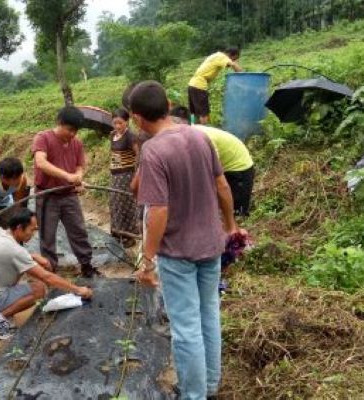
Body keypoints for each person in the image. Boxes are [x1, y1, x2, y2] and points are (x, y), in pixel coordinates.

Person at [130, 81, 241, 400]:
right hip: (211, 245)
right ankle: (209, 385)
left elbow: (159, 210)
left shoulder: (153, 151)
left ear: (137, 118)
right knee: (209, 315)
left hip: (178, 253)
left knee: (186, 327)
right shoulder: (199, 135)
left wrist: (147, 259)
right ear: (167, 104)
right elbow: (222, 185)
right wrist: (230, 226)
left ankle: (193, 394)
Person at [0, 209, 93, 339]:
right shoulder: (16, 251)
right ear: (19, 228)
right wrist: (78, 289)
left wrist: (33, 256)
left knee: (20, 272)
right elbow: (46, 277)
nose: (33, 234)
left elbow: (1, 254)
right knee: (38, 289)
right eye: (32, 229)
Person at [32, 106, 99, 278]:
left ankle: (86, 265)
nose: (72, 134)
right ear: (59, 123)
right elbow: (41, 162)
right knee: (47, 234)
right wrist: (67, 176)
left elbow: (79, 166)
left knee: (79, 230)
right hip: (47, 194)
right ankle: (50, 270)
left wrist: (77, 177)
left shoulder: (76, 143)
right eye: (69, 129)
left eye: (75, 131)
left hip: (69, 195)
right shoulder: (43, 138)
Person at [168, 107, 256, 216]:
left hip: (239, 168)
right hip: (225, 165)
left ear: (187, 124)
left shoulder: (201, 136)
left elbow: (213, 166)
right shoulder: (185, 135)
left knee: (236, 212)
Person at [108, 107, 140, 246]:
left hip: (126, 176)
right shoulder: (112, 135)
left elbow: (139, 155)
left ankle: (130, 235)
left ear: (127, 121)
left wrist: (137, 174)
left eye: (120, 123)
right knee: (115, 204)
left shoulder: (130, 136)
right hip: (115, 176)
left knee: (127, 204)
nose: (118, 126)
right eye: (115, 123)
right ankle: (117, 233)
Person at [187, 48, 243, 124]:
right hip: (199, 86)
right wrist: (236, 65)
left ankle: (194, 130)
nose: (233, 61)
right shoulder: (222, 57)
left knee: (195, 112)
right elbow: (238, 70)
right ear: (231, 55)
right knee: (204, 113)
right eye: (234, 59)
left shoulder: (216, 55)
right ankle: (204, 133)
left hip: (192, 85)